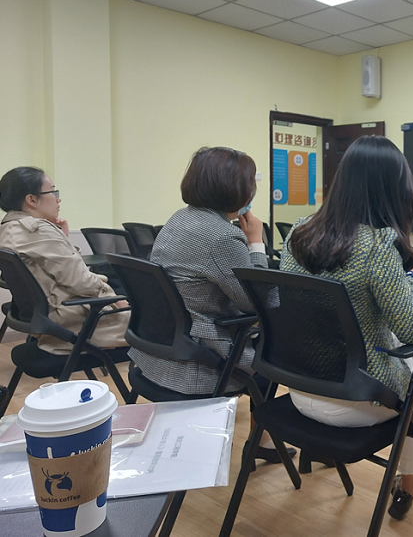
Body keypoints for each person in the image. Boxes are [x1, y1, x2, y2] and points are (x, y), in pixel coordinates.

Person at [280, 135, 413, 521]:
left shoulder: (298, 232)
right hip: (355, 401)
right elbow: (412, 327)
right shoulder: (378, 245)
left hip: (300, 388)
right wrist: (412, 278)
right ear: (396, 189)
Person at [127, 146, 291, 464]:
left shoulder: (180, 219)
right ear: (236, 189)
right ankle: (261, 440)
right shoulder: (221, 237)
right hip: (199, 361)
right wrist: (256, 243)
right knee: (273, 360)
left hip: (159, 353)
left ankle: (264, 442)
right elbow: (258, 303)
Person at [0, 167, 129, 352]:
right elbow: (82, 283)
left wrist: (63, 238)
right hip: (75, 323)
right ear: (31, 200)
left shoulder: (9, 227)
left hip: (47, 319)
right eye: (53, 192)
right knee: (156, 325)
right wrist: (115, 300)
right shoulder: (38, 230)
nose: (58, 199)